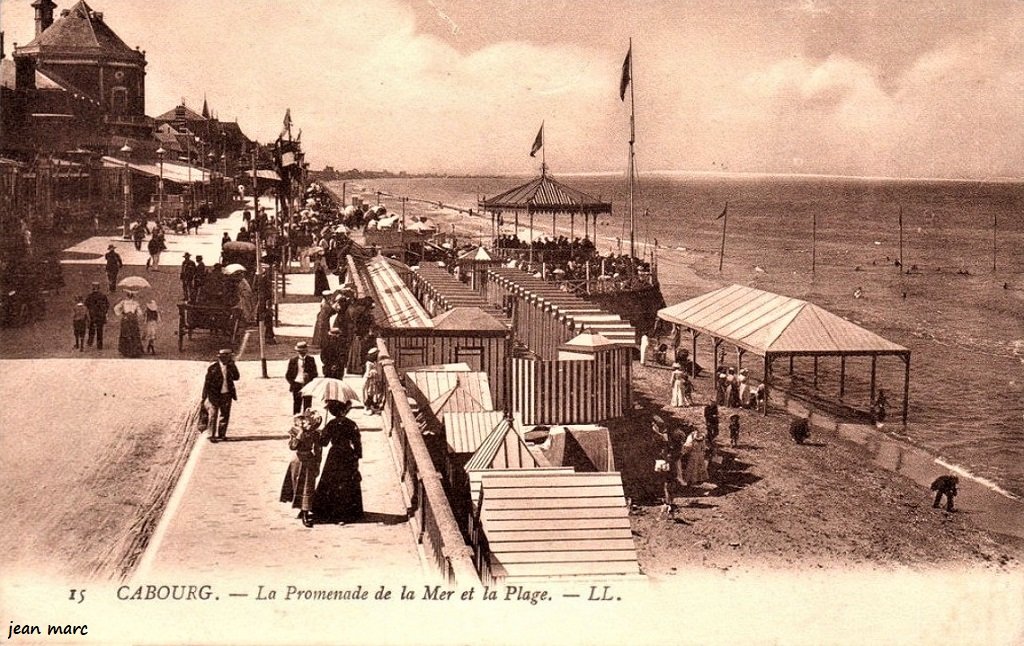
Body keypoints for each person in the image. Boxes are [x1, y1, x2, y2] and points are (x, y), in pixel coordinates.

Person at [312, 399, 364, 524]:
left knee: (332, 480)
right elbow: (357, 442)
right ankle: (348, 512)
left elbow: (324, 443)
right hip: (347, 454)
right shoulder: (351, 424)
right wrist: (357, 455)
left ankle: (329, 511)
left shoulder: (331, 424)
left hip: (334, 454)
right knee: (346, 481)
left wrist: (319, 434)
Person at [280, 409, 323, 528]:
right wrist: (299, 435)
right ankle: (302, 508)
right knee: (297, 485)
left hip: (309, 461)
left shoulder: (315, 434)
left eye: (310, 422)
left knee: (308, 487)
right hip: (297, 461)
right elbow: (292, 447)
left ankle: (305, 512)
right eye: (306, 421)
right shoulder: (295, 431)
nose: (307, 424)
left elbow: (318, 450)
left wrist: (317, 463)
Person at [202, 349, 240, 442]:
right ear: (221, 358)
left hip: (227, 394)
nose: (228, 359)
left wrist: (233, 366)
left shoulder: (230, 367)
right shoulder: (213, 368)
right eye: (227, 357)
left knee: (225, 414)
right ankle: (211, 435)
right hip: (214, 395)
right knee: (213, 415)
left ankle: (222, 434)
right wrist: (204, 396)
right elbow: (207, 382)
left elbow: (236, 377)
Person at [285, 341, 318, 414]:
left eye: (303, 351)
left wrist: (309, 376)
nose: (302, 353)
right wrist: (293, 383)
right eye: (299, 351)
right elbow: (288, 375)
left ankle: (307, 421)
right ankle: (297, 421)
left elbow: (315, 373)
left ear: (306, 351)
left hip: (308, 385)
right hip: (297, 385)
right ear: (297, 351)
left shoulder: (311, 359)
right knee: (297, 404)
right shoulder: (293, 360)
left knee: (307, 406)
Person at [113, 290, 144, 358]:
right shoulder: (136, 303)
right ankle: (134, 350)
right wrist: (135, 314)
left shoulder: (123, 302)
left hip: (126, 319)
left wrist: (121, 313)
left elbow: (116, 308)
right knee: (134, 334)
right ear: (133, 296)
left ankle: (125, 350)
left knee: (125, 334)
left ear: (127, 295)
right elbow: (140, 313)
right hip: (133, 320)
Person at [84, 282, 109, 350]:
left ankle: (90, 342)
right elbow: (107, 305)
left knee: (91, 329)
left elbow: (86, 305)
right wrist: (104, 312)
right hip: (100, 315)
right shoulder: (103, 296)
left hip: (92, 315)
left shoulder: (90, 296)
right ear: (99, 288)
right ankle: (99, 345)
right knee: (100, 330)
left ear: (93, 288)